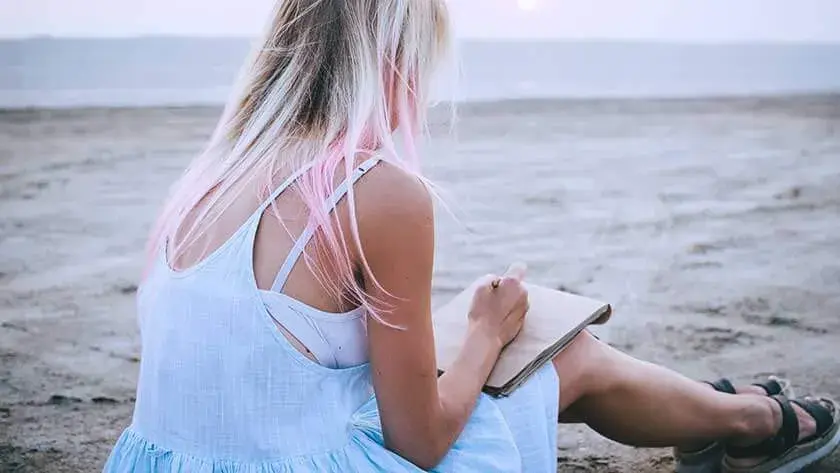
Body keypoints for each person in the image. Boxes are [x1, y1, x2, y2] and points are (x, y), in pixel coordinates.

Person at [103, 1, 840, 472]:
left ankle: (721, 415)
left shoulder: (205, 178)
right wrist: (486, 333)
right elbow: (418, 441)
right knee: (565, 353)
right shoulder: (376, 190)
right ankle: (750, 419)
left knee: (479, 332)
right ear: (398, 58)